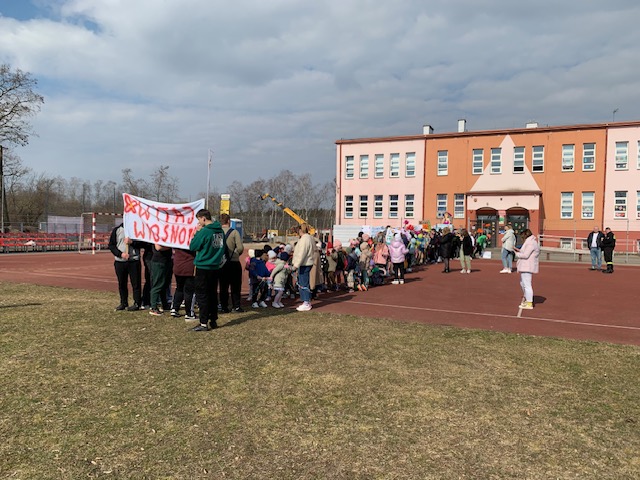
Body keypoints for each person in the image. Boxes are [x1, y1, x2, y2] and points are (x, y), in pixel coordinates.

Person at [189, 209, 225, 331]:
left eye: (199, 219)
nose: (199, 222)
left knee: (202, 295)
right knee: (212, 294)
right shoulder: (220, 231)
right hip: (215, 266)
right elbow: (222, 247)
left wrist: (197, 233)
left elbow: (193, 246)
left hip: (203, 266)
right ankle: (213, 319)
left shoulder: (205, 231)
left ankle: (203, 322)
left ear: (203, 218)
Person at [108, 223, 142, 311]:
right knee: (122, 283)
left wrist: (132, 242)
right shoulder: (117, 230)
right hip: (120, 262)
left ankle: (137, 303)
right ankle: (123, 302)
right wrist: (121, 254)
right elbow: (111, 245)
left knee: (136, 283)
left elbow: (142, 244)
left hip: (133, 261)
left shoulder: (136, 229)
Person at [218, 214, 245, 313]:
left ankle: (223, 306)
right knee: (235, 286)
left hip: (221, 263)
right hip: (233, 262)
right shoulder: (234, 232)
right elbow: (240, 248)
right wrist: (236, 254)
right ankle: (236, 306)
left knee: (223, 286)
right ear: (228, 221)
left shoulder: (218, 233)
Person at [292, 223, 316, 311]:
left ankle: (306, 301)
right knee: (303, 282)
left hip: (304, 264)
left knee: (303, 283)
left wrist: (296, 265)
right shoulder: (309, 238)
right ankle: (306, 301)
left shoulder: (304, 239)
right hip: (306, 263)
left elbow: (302, 253)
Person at [514, 229, 540, 310]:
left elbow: (525, 255)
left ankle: (529, 302)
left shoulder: (530, 243)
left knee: (527, 284)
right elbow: (525, 252)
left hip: (527, 266)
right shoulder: (530, 242)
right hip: (526, 265)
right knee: (523, 283)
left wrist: (516, 254)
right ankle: (527, 298)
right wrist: (517, 250)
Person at [170, 247, 196, 319]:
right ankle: (189, 313)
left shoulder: (178, 243)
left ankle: (175, 308)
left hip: (178, 266)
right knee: (189, 291)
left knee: (179, 288)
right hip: (189, 267)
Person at [148, 243, 172, 315]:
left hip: (166, 261)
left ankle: (164, 304)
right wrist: (171, 246)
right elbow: (158, 247)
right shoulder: (158, 236)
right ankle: (153, 307)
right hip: (159, 262)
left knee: (164, 284)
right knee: (157, 284)